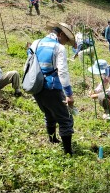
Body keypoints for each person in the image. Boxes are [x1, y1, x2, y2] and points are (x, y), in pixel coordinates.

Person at [30, 22, 76, 155]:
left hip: (36, 86)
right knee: (65, 118)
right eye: (65, 40)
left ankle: (52, 139)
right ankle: (68, 152)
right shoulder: (58, 48)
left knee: (49, 113)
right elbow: (62, 72)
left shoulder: (36, 43)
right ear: (61, 34)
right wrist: (69, 94)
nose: (64, 43)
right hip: (52, 87)